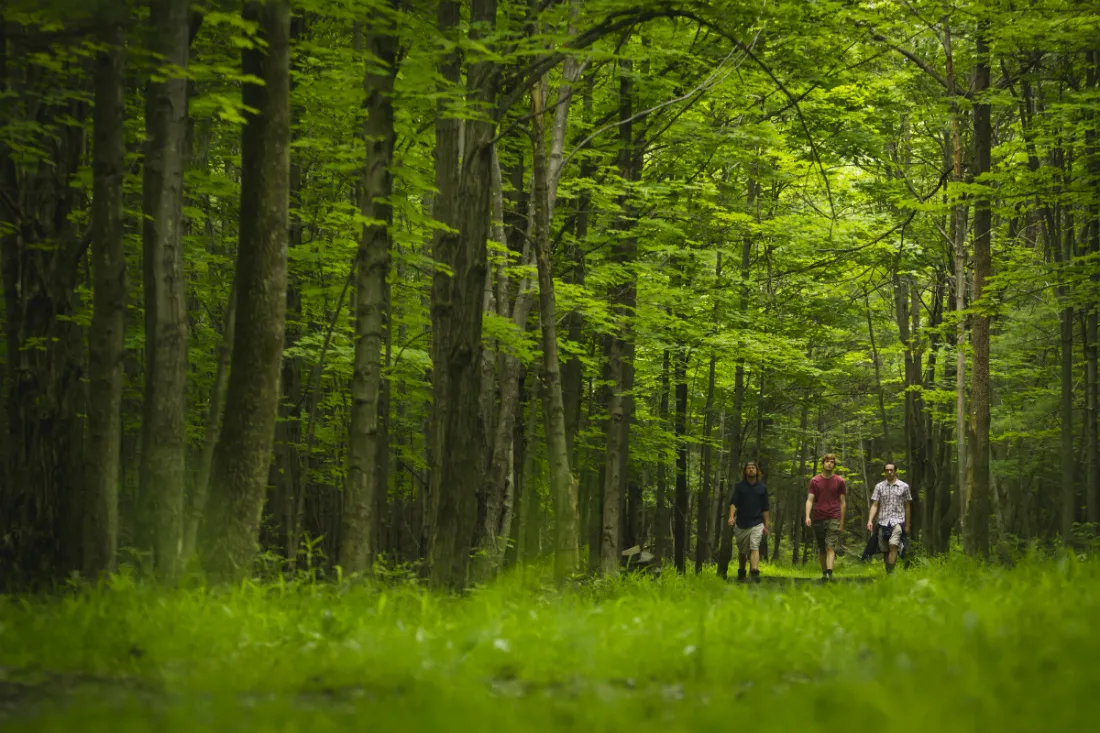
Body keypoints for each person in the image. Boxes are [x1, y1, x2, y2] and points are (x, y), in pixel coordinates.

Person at [804, 453, 847, 580]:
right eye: (827, 461)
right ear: (823, 463)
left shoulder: (840, 481)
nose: (829, 463)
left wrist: (841, 522)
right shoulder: (815, 481)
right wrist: (807, 516)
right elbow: (810, 500)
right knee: (822, 548)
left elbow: (843, 502)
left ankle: (829, 572)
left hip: (834, 516)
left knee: (830, 546)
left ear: (834, 465)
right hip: (818, 517)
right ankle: (824, 573)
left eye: (832, 462)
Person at [727, 461, 770, 583]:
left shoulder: (762, 488)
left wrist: (766, 526)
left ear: (757, 471)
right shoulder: (740, 486)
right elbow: (734, 503)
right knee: (742, 550)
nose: (751, 469)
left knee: (754, 545)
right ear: (745, 471)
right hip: (741, 523)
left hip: (757, 523)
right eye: (748, 468)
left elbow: (765, 508)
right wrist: (731, 517)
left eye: (753, 468)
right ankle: (742, 571)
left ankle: (754, 571)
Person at [866, 462, 912, 574]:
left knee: (893, 545)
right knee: (885, 550)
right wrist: (870, 520)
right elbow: (875, 504)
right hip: (883, 521)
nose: (889, 472)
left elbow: (907, 506)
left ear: (895, 471)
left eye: (891, 470)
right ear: (884, 472)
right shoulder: (879, 486)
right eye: (887, 470)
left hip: (898, 521)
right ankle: (889, 573)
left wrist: (907, 524)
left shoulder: (904, 486)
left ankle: (891, 573)